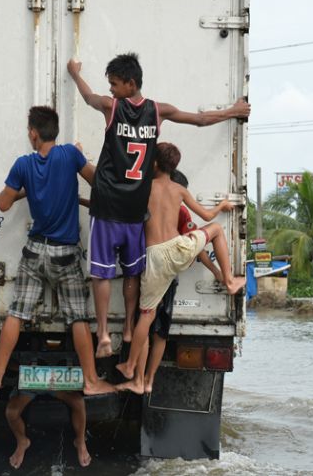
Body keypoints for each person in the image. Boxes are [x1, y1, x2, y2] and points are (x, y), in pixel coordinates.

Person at [67, 53, 250, 358]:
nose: (110, 89)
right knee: (131, 274)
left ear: (130, 84)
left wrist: (74, 72)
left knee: (101, 274)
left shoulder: (111, 108)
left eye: (114, 84)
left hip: (107, 204)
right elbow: (200, 120)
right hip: (134, 211)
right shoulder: (158, 111)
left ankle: (102, 334)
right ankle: (127, 328)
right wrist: (234, 111)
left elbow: (87, 96)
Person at [0, 106, 114, 396]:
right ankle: (92, 381)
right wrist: (80, 157)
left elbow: (4, 203)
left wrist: (26, 189)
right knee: (77, 318)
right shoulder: (70, 155)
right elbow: (99, 181)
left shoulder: (23, 165)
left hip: (35, 251)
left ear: (33, 134)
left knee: (17, 313)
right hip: (66, 253)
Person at [115, 142, 245, 393]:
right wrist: (221, 207)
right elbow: (207, 218)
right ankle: (229, 281)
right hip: (178, 249)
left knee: (146, 314)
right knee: (216, 230)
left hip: (154, 256)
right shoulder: (179, 190)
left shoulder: (142, 189)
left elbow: (123, 212)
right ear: (174, 167)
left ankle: (132, 369)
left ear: (153, 164)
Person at [141, 169, 223, 394]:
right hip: (166, 276)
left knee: (144, 324)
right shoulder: (182, 214)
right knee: (160, 332)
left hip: (144, 270)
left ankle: (138, 377)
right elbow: (196, 248)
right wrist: (217, 272)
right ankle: (148, 381)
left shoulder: (143, 201)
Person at [5, 389, 91, 469]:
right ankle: (22, 441)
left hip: (57, 384)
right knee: (12, 411)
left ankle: (80, 441)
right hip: (30, 387)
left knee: (78, 402)